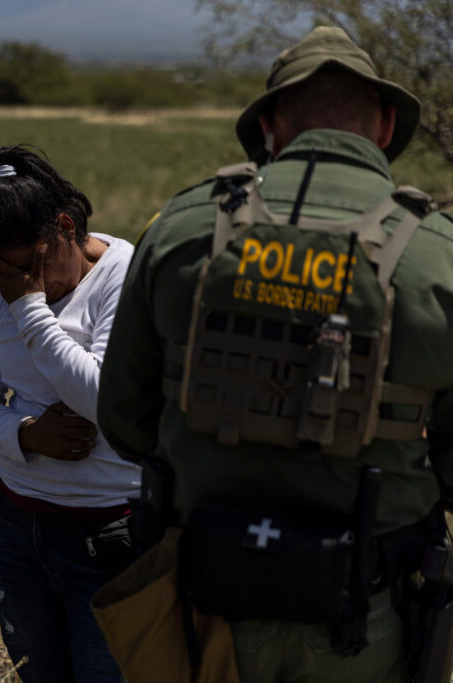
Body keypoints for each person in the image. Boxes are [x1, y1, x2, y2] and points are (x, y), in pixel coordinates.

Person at [96, 26, 453, 682]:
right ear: (382, 125)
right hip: (369, 613)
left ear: (269, 127)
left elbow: (123, 416)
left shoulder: (182, 227)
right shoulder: (438, 253)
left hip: (204, 604)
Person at [0, 145, 141, 683]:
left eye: (31, 266)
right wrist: (27, 435)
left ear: (65, 227)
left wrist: (31, 310)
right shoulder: (3, 285)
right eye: (3, 272)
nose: (19, 284)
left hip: (106, 539)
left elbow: (105, 401)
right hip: (15, 525)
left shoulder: (124, 277)